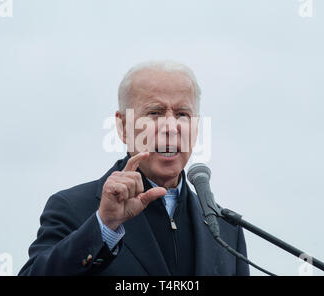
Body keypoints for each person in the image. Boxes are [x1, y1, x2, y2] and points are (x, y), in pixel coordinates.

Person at [18, 61, 250, 276]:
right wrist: (104, 225)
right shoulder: (73, 209)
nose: (170, 127)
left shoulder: (226, 230)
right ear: (122, 126)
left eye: (182, 114)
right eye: (155, 113)